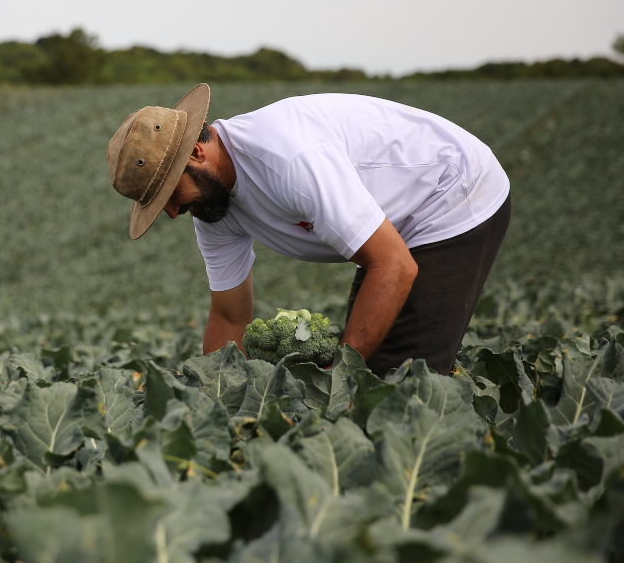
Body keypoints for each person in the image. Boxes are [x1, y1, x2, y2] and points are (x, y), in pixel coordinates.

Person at [106, 84, 510, 376]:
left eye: (169, 194)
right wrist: (214, 394)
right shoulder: (211, 206)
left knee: (399, 378)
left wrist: (338, 376)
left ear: (196, 152)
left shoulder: (289, 160)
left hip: (451, 191)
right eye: (160, 207)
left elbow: (392, 266)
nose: (173, 213)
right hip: (393, 233)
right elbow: (229, 316)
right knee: (370, 363)